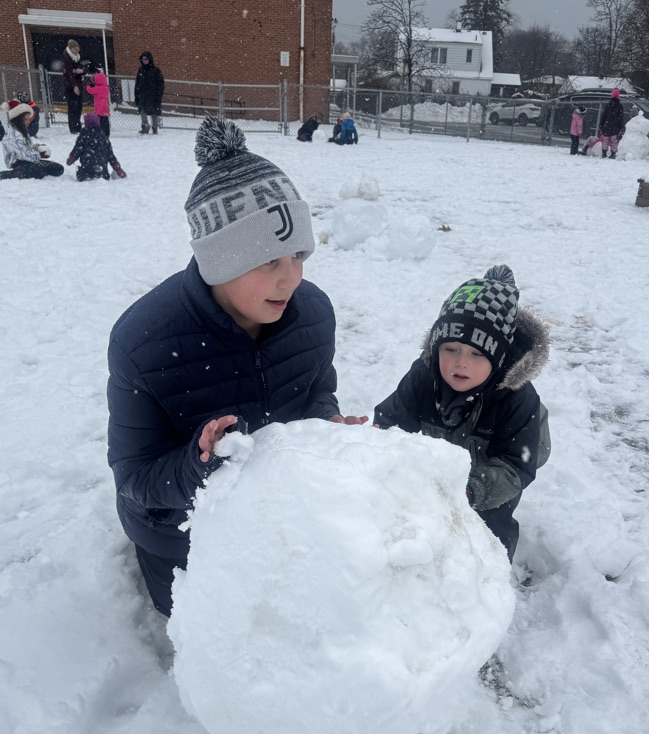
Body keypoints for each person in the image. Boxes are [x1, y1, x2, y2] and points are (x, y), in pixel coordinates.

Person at [107, 116, 367, 615]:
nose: (290, 279)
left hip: (275, 511)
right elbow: (135, 477)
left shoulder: (313, 313)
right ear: (220, 261)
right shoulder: (144, 341)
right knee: (202, 623)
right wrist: (198, 463)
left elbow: (316, 390)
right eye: (269, 261)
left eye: (298, 254)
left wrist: (327, 425)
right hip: (180, 531)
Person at [374, 266, 551, 563]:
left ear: (498, 358)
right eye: (451, 349)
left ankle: (493, 576)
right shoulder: (424, 377)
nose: (461, 363)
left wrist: (472, 490)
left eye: (477, 354)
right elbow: (391, 419)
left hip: (508, 453)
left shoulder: (517, 399)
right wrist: (377, 445)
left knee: (490, 524)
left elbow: (516, 466)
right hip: (454, 440)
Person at [0, 99, 64, 179]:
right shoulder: (13, 134)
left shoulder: (23, 131)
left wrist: (38, 148)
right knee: (39, 171)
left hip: (30, 160)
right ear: (18, 120)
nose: (28, 122)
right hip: (19, 163)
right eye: (26, 119)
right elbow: (22, 155)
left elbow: (28, 148)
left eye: (28, 119)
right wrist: (39, 154)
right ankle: (12, 174)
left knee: (58, 168)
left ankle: (24, 172)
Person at [66, 113, 126, 180]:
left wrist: (70, 160)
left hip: (87, 167)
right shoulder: (104, 137)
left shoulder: (83, 136)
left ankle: (84, 173)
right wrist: (118, 169)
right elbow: (110, 155)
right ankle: (100, 173)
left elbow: (77, 150)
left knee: (83, 171)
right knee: (102, 169)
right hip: (102, 169)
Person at [134, 51, 164, 134]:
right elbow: (137, 84)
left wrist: (158, 94)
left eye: (145, 59)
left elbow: (160, 84)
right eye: (142, 59)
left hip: (153, 95)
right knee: (142, 110)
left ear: (149, 59)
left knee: (154, 112)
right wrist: (137, 95)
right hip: (143, 95)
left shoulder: (156, 71)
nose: (144, 61)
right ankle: (145, 126)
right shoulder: (141, 70)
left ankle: (155, 127)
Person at [62, 38, 89, 133]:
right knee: (73, 107)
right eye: (75, 48)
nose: (77, 50)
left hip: (78, 84)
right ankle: (73, 127)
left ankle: (77, 126)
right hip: (71, 87)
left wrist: (81, 71)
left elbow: (83, 69)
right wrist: (74, 86)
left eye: (77, 48)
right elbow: (69, 74)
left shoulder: (78, 57)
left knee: (78, 107)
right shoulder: (67, 58)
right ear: (71, 49)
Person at [599, 88, 625, 159]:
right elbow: (620, 118)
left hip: (606, 125)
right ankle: (613, 153)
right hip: (615, 126)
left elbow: (603, 116)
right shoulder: (620, 106)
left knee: (605, 140)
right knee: (614, 141)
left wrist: (601, 126)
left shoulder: (608, 105)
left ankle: (604, 153)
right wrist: (621, 127)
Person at [86, 72, 112, 136]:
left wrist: (88, 85)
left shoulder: (97, 88)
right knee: (105, 120)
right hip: (105, 107)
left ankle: (101, 132)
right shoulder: (106, 88)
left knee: (100, 121)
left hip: (99, 107)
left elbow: (90, 90)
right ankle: (107, 132)